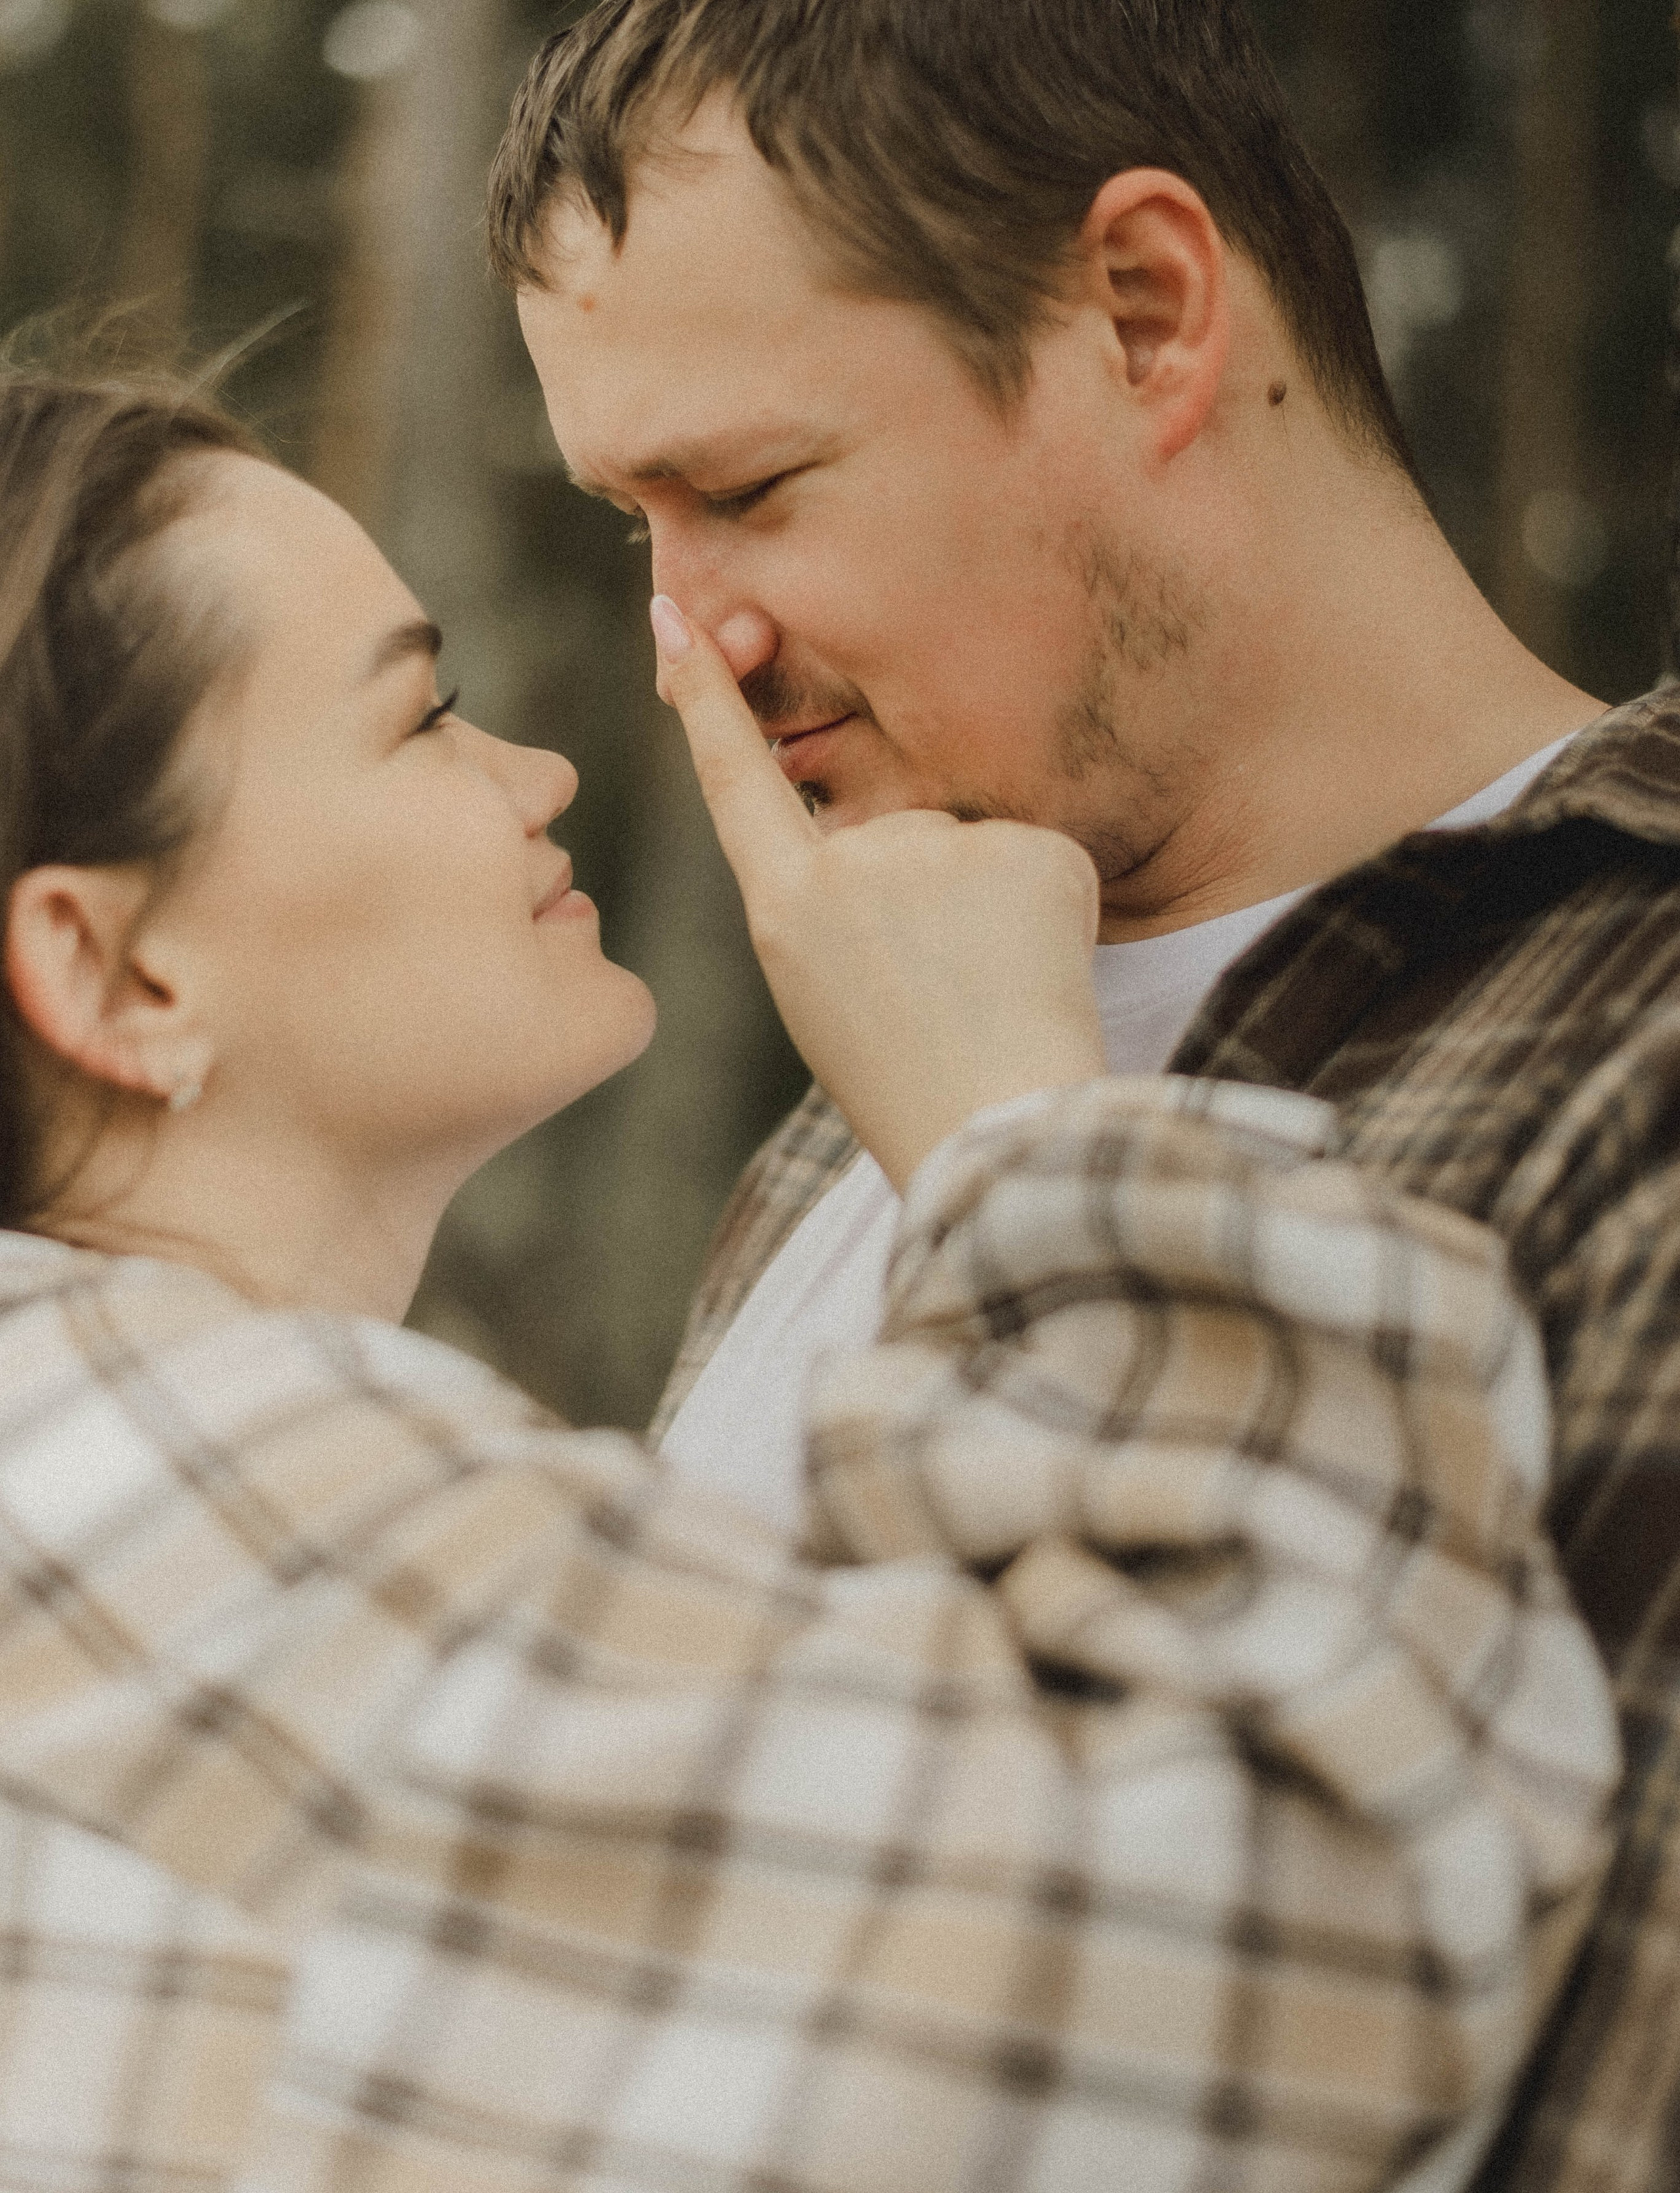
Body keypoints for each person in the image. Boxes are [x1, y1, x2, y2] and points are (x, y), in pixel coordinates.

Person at [0, 364, 1617, 2190]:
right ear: (118, 973)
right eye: (422, 714)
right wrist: (1028, 1125)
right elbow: (1306, 1937)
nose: (541, 767)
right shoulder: (185, 1510)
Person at [490, 0, 1680, 2193]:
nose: (685, 641)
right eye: (635, 527)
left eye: (750, 488)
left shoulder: (1638, 1028)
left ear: (1144, 310)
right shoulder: (855, 1105)